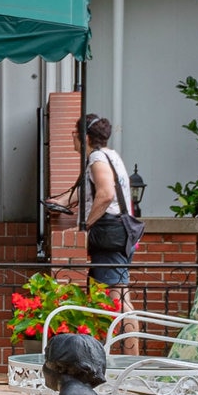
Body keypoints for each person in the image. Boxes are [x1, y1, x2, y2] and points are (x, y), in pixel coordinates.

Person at [82, 116, 135, 289]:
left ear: (86, 137)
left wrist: (86, 225)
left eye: (76, 134)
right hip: (119, 231)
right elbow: (93, 190)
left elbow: (106, 194)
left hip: (108, 233)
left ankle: (130, 318)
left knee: (118, 296)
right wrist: (60, 200)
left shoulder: (97, 159)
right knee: (110, 296)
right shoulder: (110, 155)